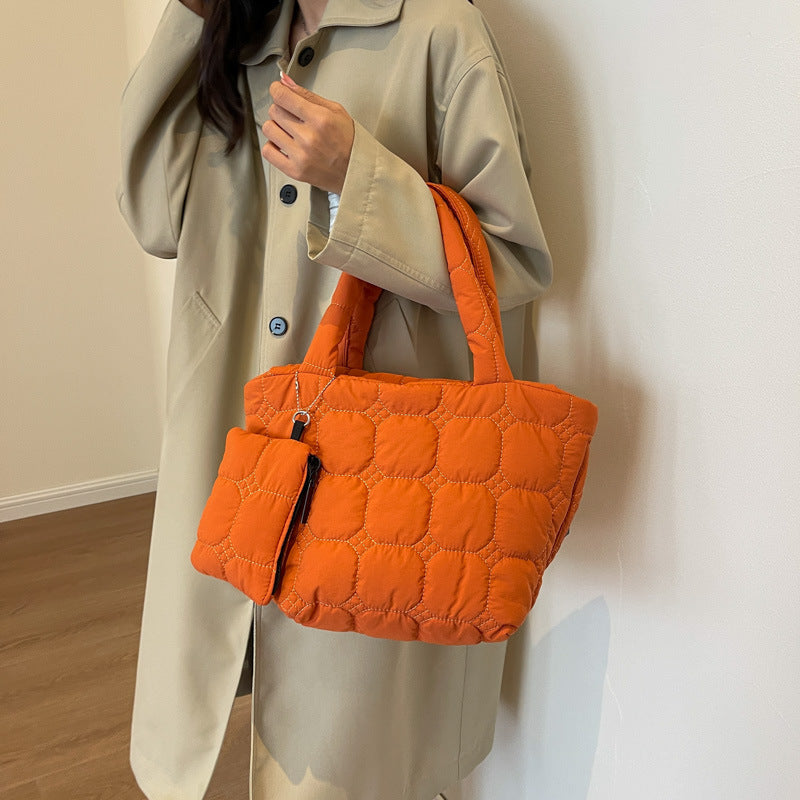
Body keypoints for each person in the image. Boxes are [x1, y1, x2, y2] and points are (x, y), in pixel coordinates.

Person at [116, 0, 553, 798]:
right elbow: (154, 217)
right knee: (212, 682)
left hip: (371, 470)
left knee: (347, 754)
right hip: (233, 433)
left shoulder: (439, 32)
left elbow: (511, 264)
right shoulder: (235, 37)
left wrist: (359, 178)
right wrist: (186, 20)